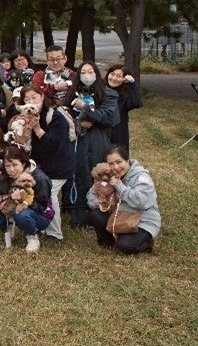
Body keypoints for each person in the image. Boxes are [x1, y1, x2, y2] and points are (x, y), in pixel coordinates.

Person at [20, 84, 73, 241]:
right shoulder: (24, 118)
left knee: (49, 194)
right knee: (37, 193)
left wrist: (37, 129)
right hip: (39, 165)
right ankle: (40, 225)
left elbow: (55, 145)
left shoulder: (55, 117)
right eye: (27, 99)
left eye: (34, 97)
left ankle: (55, 233)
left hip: (59, 165)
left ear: (42, 97)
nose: (32, 102)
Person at [69, 61, 119, 227]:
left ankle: (98, 208)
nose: (87, 74)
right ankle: (75, 209)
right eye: (83, 71)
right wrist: (79, 123)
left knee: (96, 172)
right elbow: (64, 113)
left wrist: (86, 110)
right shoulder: (72, 93)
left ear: (97, 74)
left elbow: (108, 117)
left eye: (91, 71)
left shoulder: (108, 94)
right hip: (76, 139)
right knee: (77, 171)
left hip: (97, 139)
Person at [86, 146, 160, 254]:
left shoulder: (141, 177)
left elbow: (141, 201)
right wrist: (102, 203)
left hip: (141, 221)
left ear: (127, 160)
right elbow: (91, 195)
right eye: (111, 164)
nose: (116, 167)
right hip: (119, 218)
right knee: (95, 214)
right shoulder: (106, 175)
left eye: (119, 162)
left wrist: (120, 187)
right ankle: (108, 242)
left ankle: (147, 243)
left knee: (126, 245)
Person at [0, 145, 53, 252]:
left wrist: (23, 200)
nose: (11, 169)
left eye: (15, 165)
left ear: (23, 163)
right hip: (10, 207)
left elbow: (41, 207)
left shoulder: (40, 178)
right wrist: (4, 198)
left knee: (19, 212)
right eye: (7, 166)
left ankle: (32, 236)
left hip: (39, 213)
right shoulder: (7, 173)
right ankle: (11, 226)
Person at [105, 64, 141, 149]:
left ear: (123, 79)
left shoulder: (124, 95)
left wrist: (131, 85)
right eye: (112, 74)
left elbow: (136, 103)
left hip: (118, 133)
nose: (114, 78)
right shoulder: (99, 90)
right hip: (100, 131)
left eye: (119, 76)